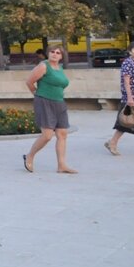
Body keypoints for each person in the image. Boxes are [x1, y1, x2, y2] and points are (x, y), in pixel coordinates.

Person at [23, 45, 76, 173]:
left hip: (59, 103)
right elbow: (29, 82)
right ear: (48, 53)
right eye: (52, 52)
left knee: (62, 134)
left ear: (61, 56)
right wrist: (38, 95)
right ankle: (29, 156)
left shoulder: (60, 68)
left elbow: (61, 85)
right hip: (45, 102)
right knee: (47, 136)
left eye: (58, 53)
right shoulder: (43, 66)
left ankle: (61, 165)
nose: (55, 54)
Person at [105, 41, 134, 155]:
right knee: (125, 123)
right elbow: (126, 82)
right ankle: (112, 143)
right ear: (130, 51)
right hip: (132, 97)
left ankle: (111, 142)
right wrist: (130, 98)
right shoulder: (128, 63)